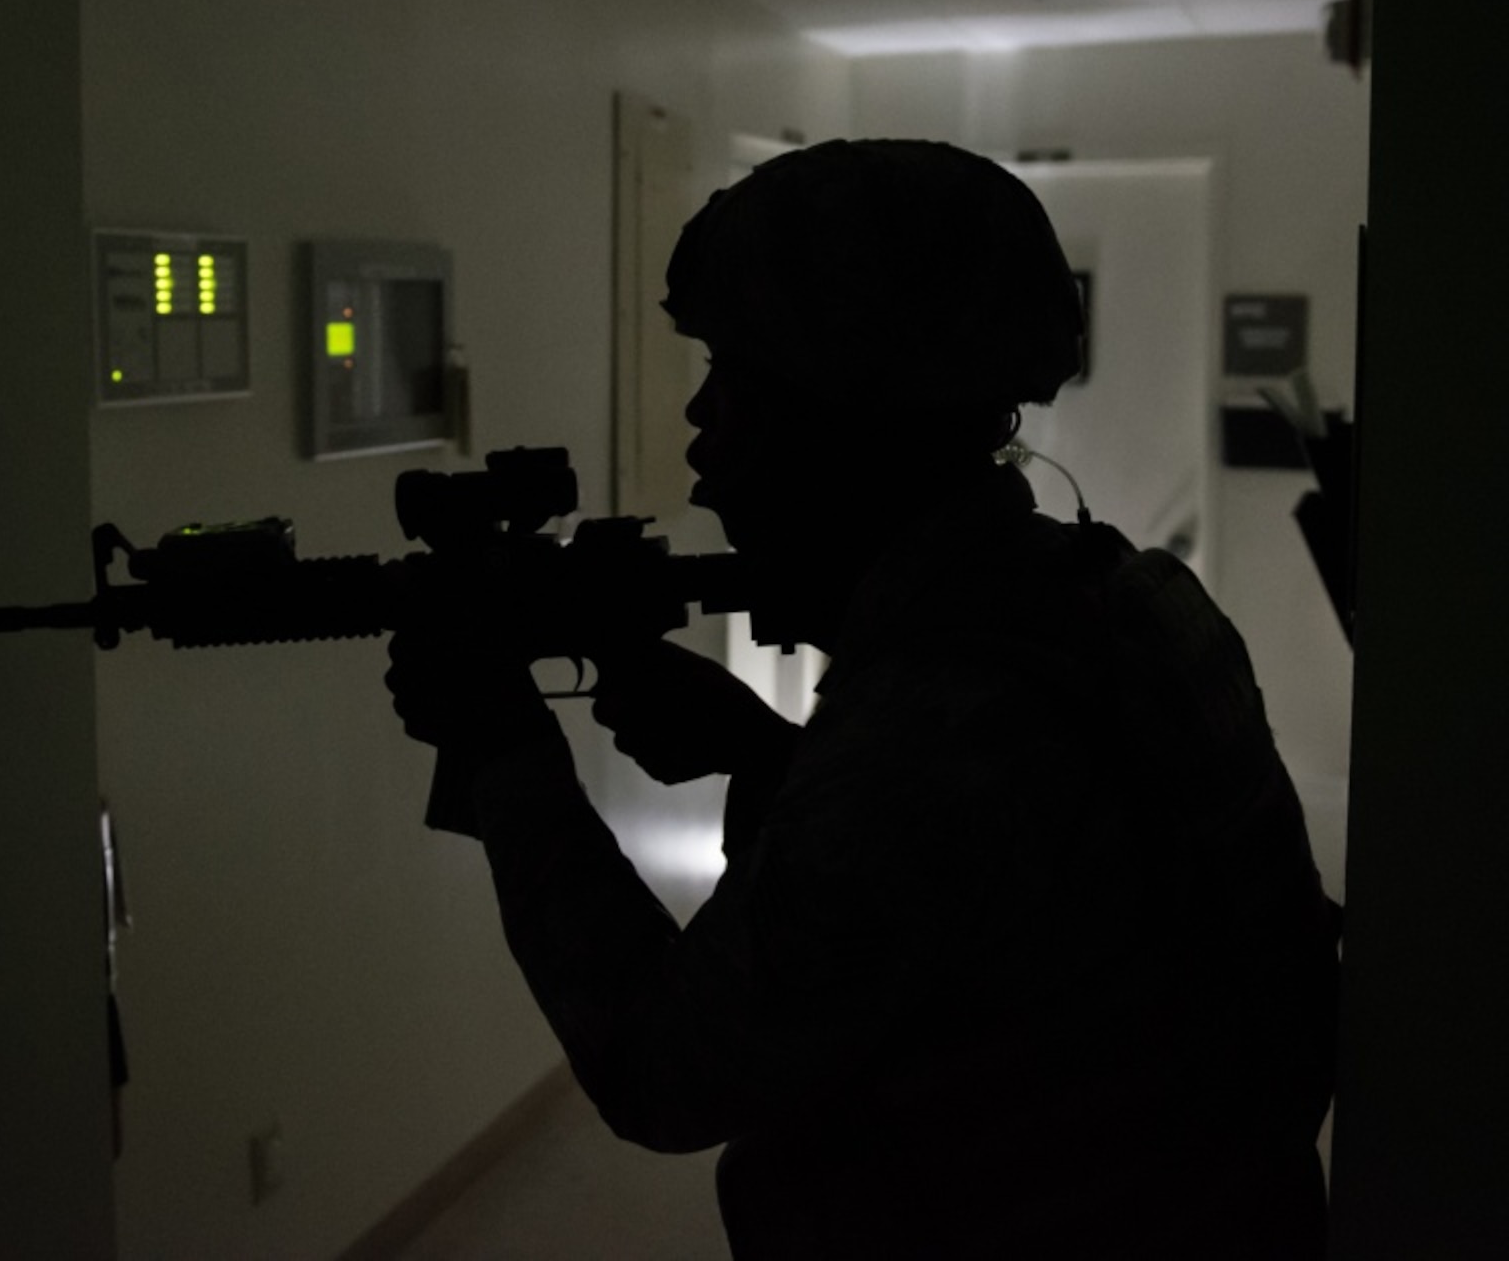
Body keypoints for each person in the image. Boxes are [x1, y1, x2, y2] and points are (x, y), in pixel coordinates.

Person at [385, 139, 1339, 1258]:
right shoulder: (1124, 597)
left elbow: (664, 1068)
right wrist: (770, 753)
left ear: (843, 413)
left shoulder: (933, 722)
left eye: (731, 377)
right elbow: (1041, 910)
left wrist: (505, 749)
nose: (698, 428)